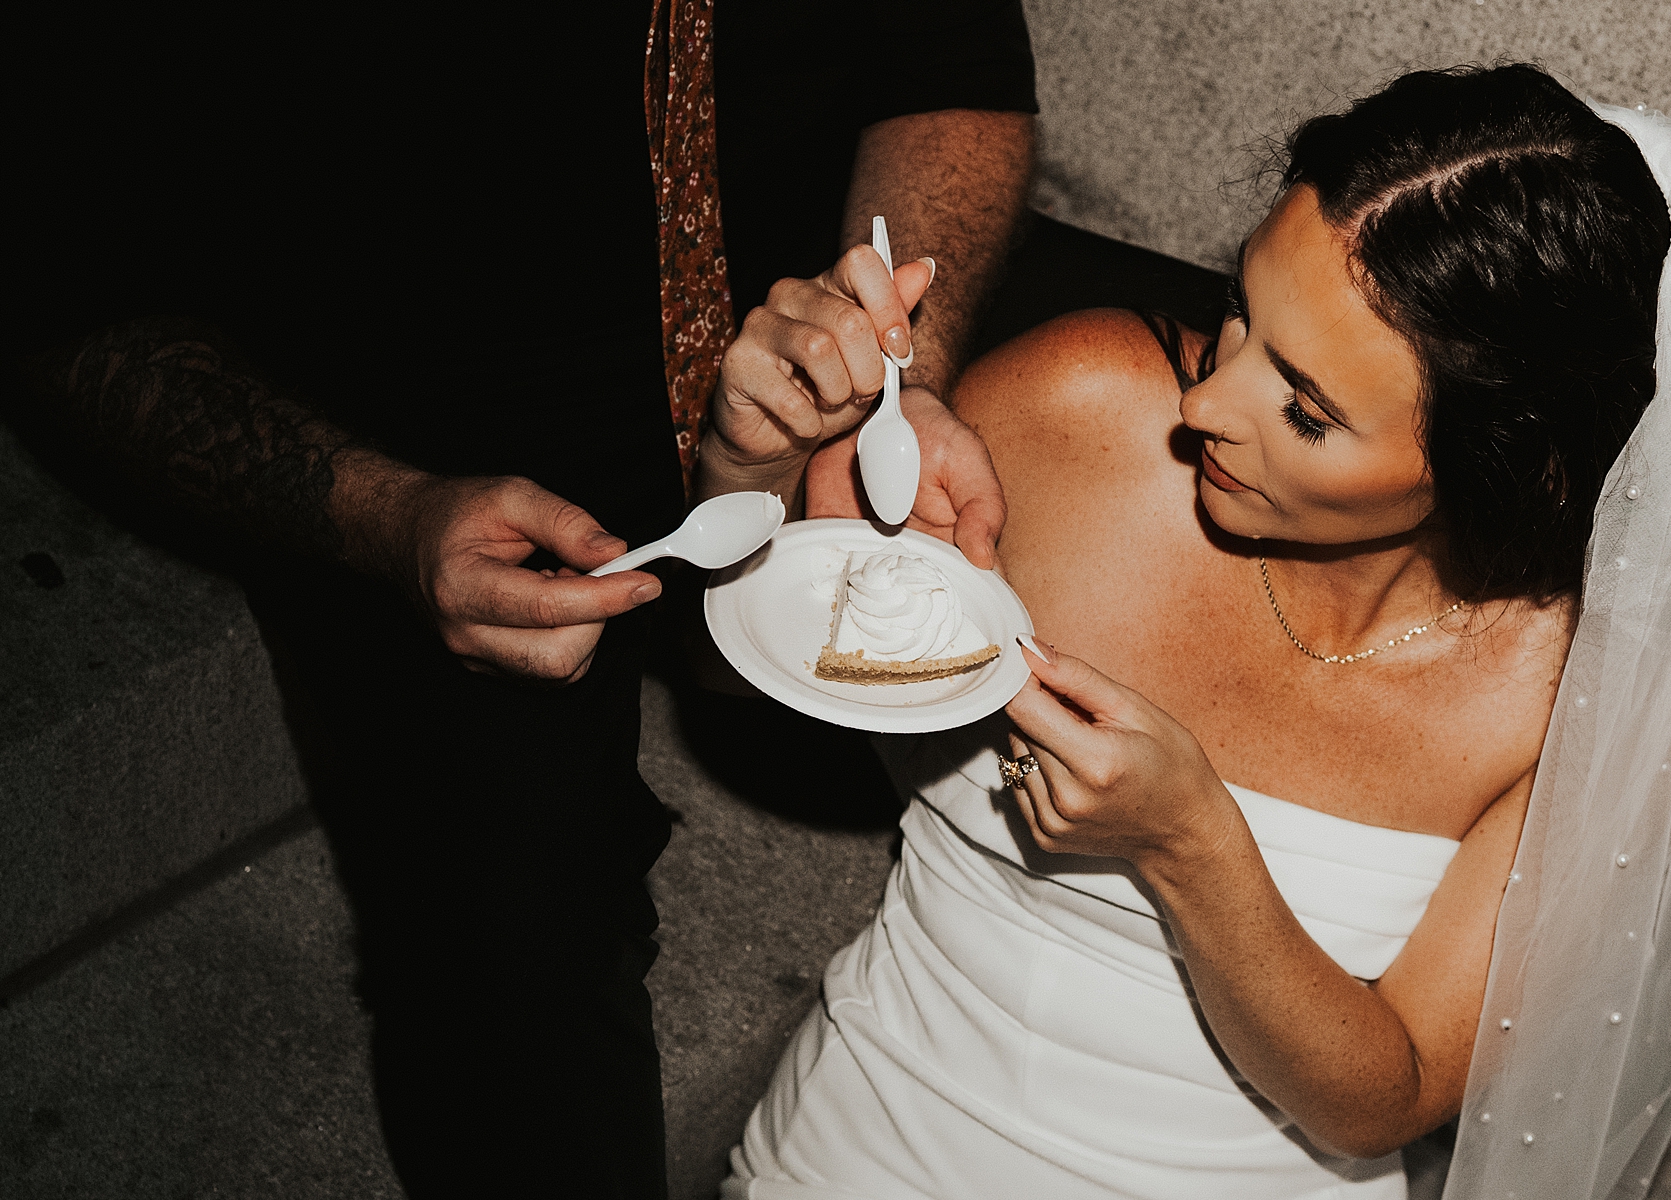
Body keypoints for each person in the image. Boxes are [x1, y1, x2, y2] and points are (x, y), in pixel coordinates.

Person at [8, 5, 1035, 1196]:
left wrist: (896, 369)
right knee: (514, 933)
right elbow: (61, 306)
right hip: (424, 438)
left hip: (799, 347)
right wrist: (384, 516)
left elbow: (953, 70)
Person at [718, 64, 1671, 1197]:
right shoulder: (1079, 403)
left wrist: (1190, 842)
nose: (1205, 407)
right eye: (1240, 311)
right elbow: (732, 675)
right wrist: (755, 467)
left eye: (1306, 409)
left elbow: (1387, 1099)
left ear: (1506, 469)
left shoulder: (1598, 692)